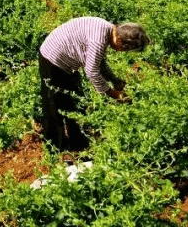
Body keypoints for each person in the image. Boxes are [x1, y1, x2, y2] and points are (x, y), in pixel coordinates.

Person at [38, 17, 149, 153]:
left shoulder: (107, 29)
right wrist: (112, 93)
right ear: (120, 41)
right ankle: (54, 148)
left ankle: (78, 143)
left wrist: (114, 80)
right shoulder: (99, 39)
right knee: (53, 105)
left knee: (75, 101)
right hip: (52, 59)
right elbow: (92, 71)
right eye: (123, 49)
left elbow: (99, 62)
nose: (120, 51)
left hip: (66, 63)